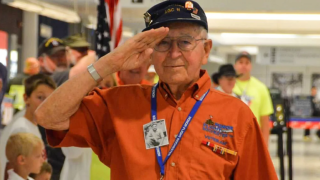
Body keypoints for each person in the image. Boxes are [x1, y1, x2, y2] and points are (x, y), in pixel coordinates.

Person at [36, 1, 277, 179]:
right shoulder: (119, 105)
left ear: (206, 50)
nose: (173, 54)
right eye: (162, 43)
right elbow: (47, 116)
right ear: (150, 52)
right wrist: (107, 64)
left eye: (185, 42)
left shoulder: (237, 115)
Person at [0, 74, 55, 180]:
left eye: (49, 99)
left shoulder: (33, 126)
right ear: (26, 98)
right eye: (40, 97)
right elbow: (11, 168)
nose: (45, 104)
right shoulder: (22, 129)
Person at [233, 51, 274, 145]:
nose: (244, 65)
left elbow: (265, 121)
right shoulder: (227, 86)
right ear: (235, 65)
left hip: (252, 139)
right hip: (231, 137)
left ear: (251, 66)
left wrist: (264, 147)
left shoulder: (261, 88)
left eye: (247, 63)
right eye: (241, 62)